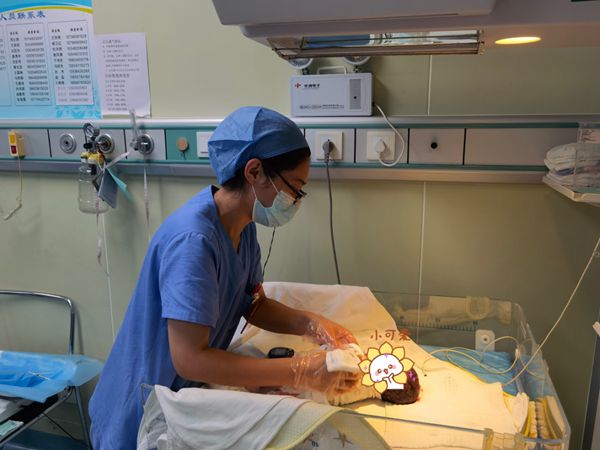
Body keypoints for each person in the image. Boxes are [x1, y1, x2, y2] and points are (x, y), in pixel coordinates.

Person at [88, 106, 359, 449]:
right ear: (255, 171)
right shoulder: (193, 240)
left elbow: (253, 304)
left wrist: (311, 323)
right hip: (141, 412)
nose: (296, 200)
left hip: (184, 399)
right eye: (295, 187)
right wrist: (302, 371)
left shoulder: (241, 227)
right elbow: (190, 359)